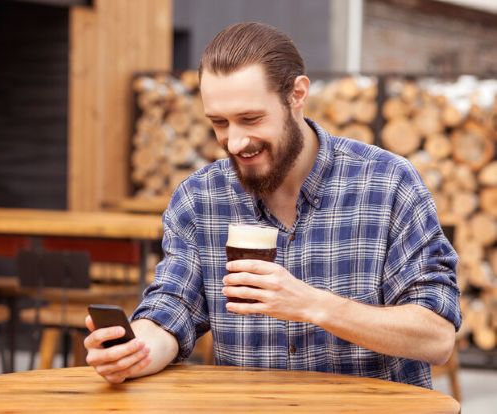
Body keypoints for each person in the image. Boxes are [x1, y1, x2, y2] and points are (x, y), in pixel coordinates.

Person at [84, 22, 461, 388]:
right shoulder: (200, 198)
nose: (234, 142)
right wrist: (136, 350)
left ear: (297, 95)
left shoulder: (388, 182)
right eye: (219, 123)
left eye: (250, 119)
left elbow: (436, 338)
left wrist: (313, 305)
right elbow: (173, 306)